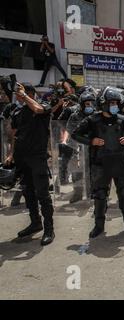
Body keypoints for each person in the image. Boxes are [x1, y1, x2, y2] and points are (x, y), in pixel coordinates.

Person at [72, 87, 124, 238]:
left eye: (116, 102)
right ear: (103, 103)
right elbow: (75, 134)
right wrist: (91, 141)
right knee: (100, 196)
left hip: (120, 164)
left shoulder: (122, 119)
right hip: (100, 165)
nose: (115, 105)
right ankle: (99, 226)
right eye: (112, 102)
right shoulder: (92, 120)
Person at [4, 83, 55, 246]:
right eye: (18, 95)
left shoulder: (43, 106)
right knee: (28, 192)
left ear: (30, 94)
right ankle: (35, 223)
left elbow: (39, 110)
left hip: (37, 157)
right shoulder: (17, 111)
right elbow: (15, 134)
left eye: (21, 94)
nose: (18, 97)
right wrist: (11, 154)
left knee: (43, 194)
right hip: (21, 158)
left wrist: (25, 96)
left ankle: (49, 228)